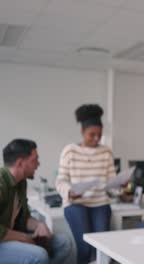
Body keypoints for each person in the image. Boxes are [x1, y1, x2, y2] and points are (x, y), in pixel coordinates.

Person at [55, 104, 116, 264]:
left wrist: (118, 186)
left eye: (99, 135)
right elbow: (61, 180)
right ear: (82, 133)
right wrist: (69, 191)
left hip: (100, 203)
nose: (96, 138)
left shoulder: (106, 152)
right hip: (75, 203)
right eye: (92, 135)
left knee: (102, 249)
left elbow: (111, 181)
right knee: (85, 248)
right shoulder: (70, 151)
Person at [0, 139, 71, 264]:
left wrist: (39, 224)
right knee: (39, 255)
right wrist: (23, 238)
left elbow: (24, 218)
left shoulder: (21, 182)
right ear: (20, 163)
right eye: (35, 160)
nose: (38, 164)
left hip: (11, 237)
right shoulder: (1, 182)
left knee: (63, 243)